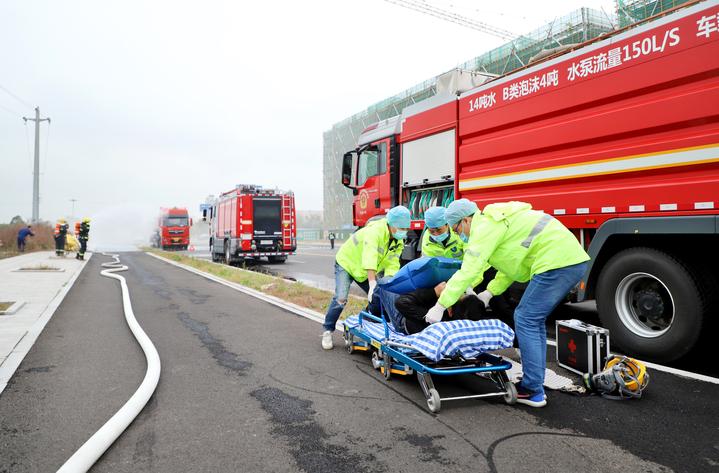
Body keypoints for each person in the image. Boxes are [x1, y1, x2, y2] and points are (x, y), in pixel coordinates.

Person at [424, 199, 590, 408]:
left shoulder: (484, 227)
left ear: (465, 220)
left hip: (556, 261)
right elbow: (510, 265)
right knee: (532, 320)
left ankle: (532, 389)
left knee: (525, 318)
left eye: (457, 229)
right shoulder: (498, 223)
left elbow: (469, 269)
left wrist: (441, 305)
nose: (459, 235)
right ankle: (534, 383)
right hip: (566, 259)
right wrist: (488, 292)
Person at [321, 206, 411, 350]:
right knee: (341, 298)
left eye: (406, 229)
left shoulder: (398, 241)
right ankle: (327, 330)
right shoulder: (375, 231)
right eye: (401, 228)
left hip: (363, 270)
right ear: (391, 224)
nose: (404, 232)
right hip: (347, 263)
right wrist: (372, 282)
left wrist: (388, 285)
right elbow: (370, 256)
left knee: (380, 295)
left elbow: (393, 263)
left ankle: (367, 317)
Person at [370, 282, 487, 335]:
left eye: (458, 296)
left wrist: (434, 292)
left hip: (404, 321)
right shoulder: (466, 320)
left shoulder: (434, 319)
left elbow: (401, 303)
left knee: (384, 284)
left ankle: (371, 312)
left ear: (450, 311)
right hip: (417, 310)